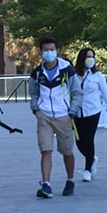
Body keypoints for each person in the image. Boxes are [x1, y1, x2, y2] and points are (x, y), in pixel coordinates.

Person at [29, 37, 83, 199]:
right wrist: (36, 109)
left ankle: (70, 179)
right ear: (41, 52)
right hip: (44, 116)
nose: (49, 53)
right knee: (46, 150)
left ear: (57, 51)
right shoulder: (37, 73)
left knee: (66, 151)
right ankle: (46, 184)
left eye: (52, 49)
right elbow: (33, 93)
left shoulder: (67, 70)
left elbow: (77, 92)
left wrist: (72, 112)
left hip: (63, 115)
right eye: (46, 50)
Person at [73, 48, 107, 182]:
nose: (91, 59)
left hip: (93, 111)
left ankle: (87, 169)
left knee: (89, 139)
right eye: (87, 56)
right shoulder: (73, 75)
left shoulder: (97, 76)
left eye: (92, 56)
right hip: (77, 112)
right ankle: (91, 158)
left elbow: (105, 93)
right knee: (79, 142)